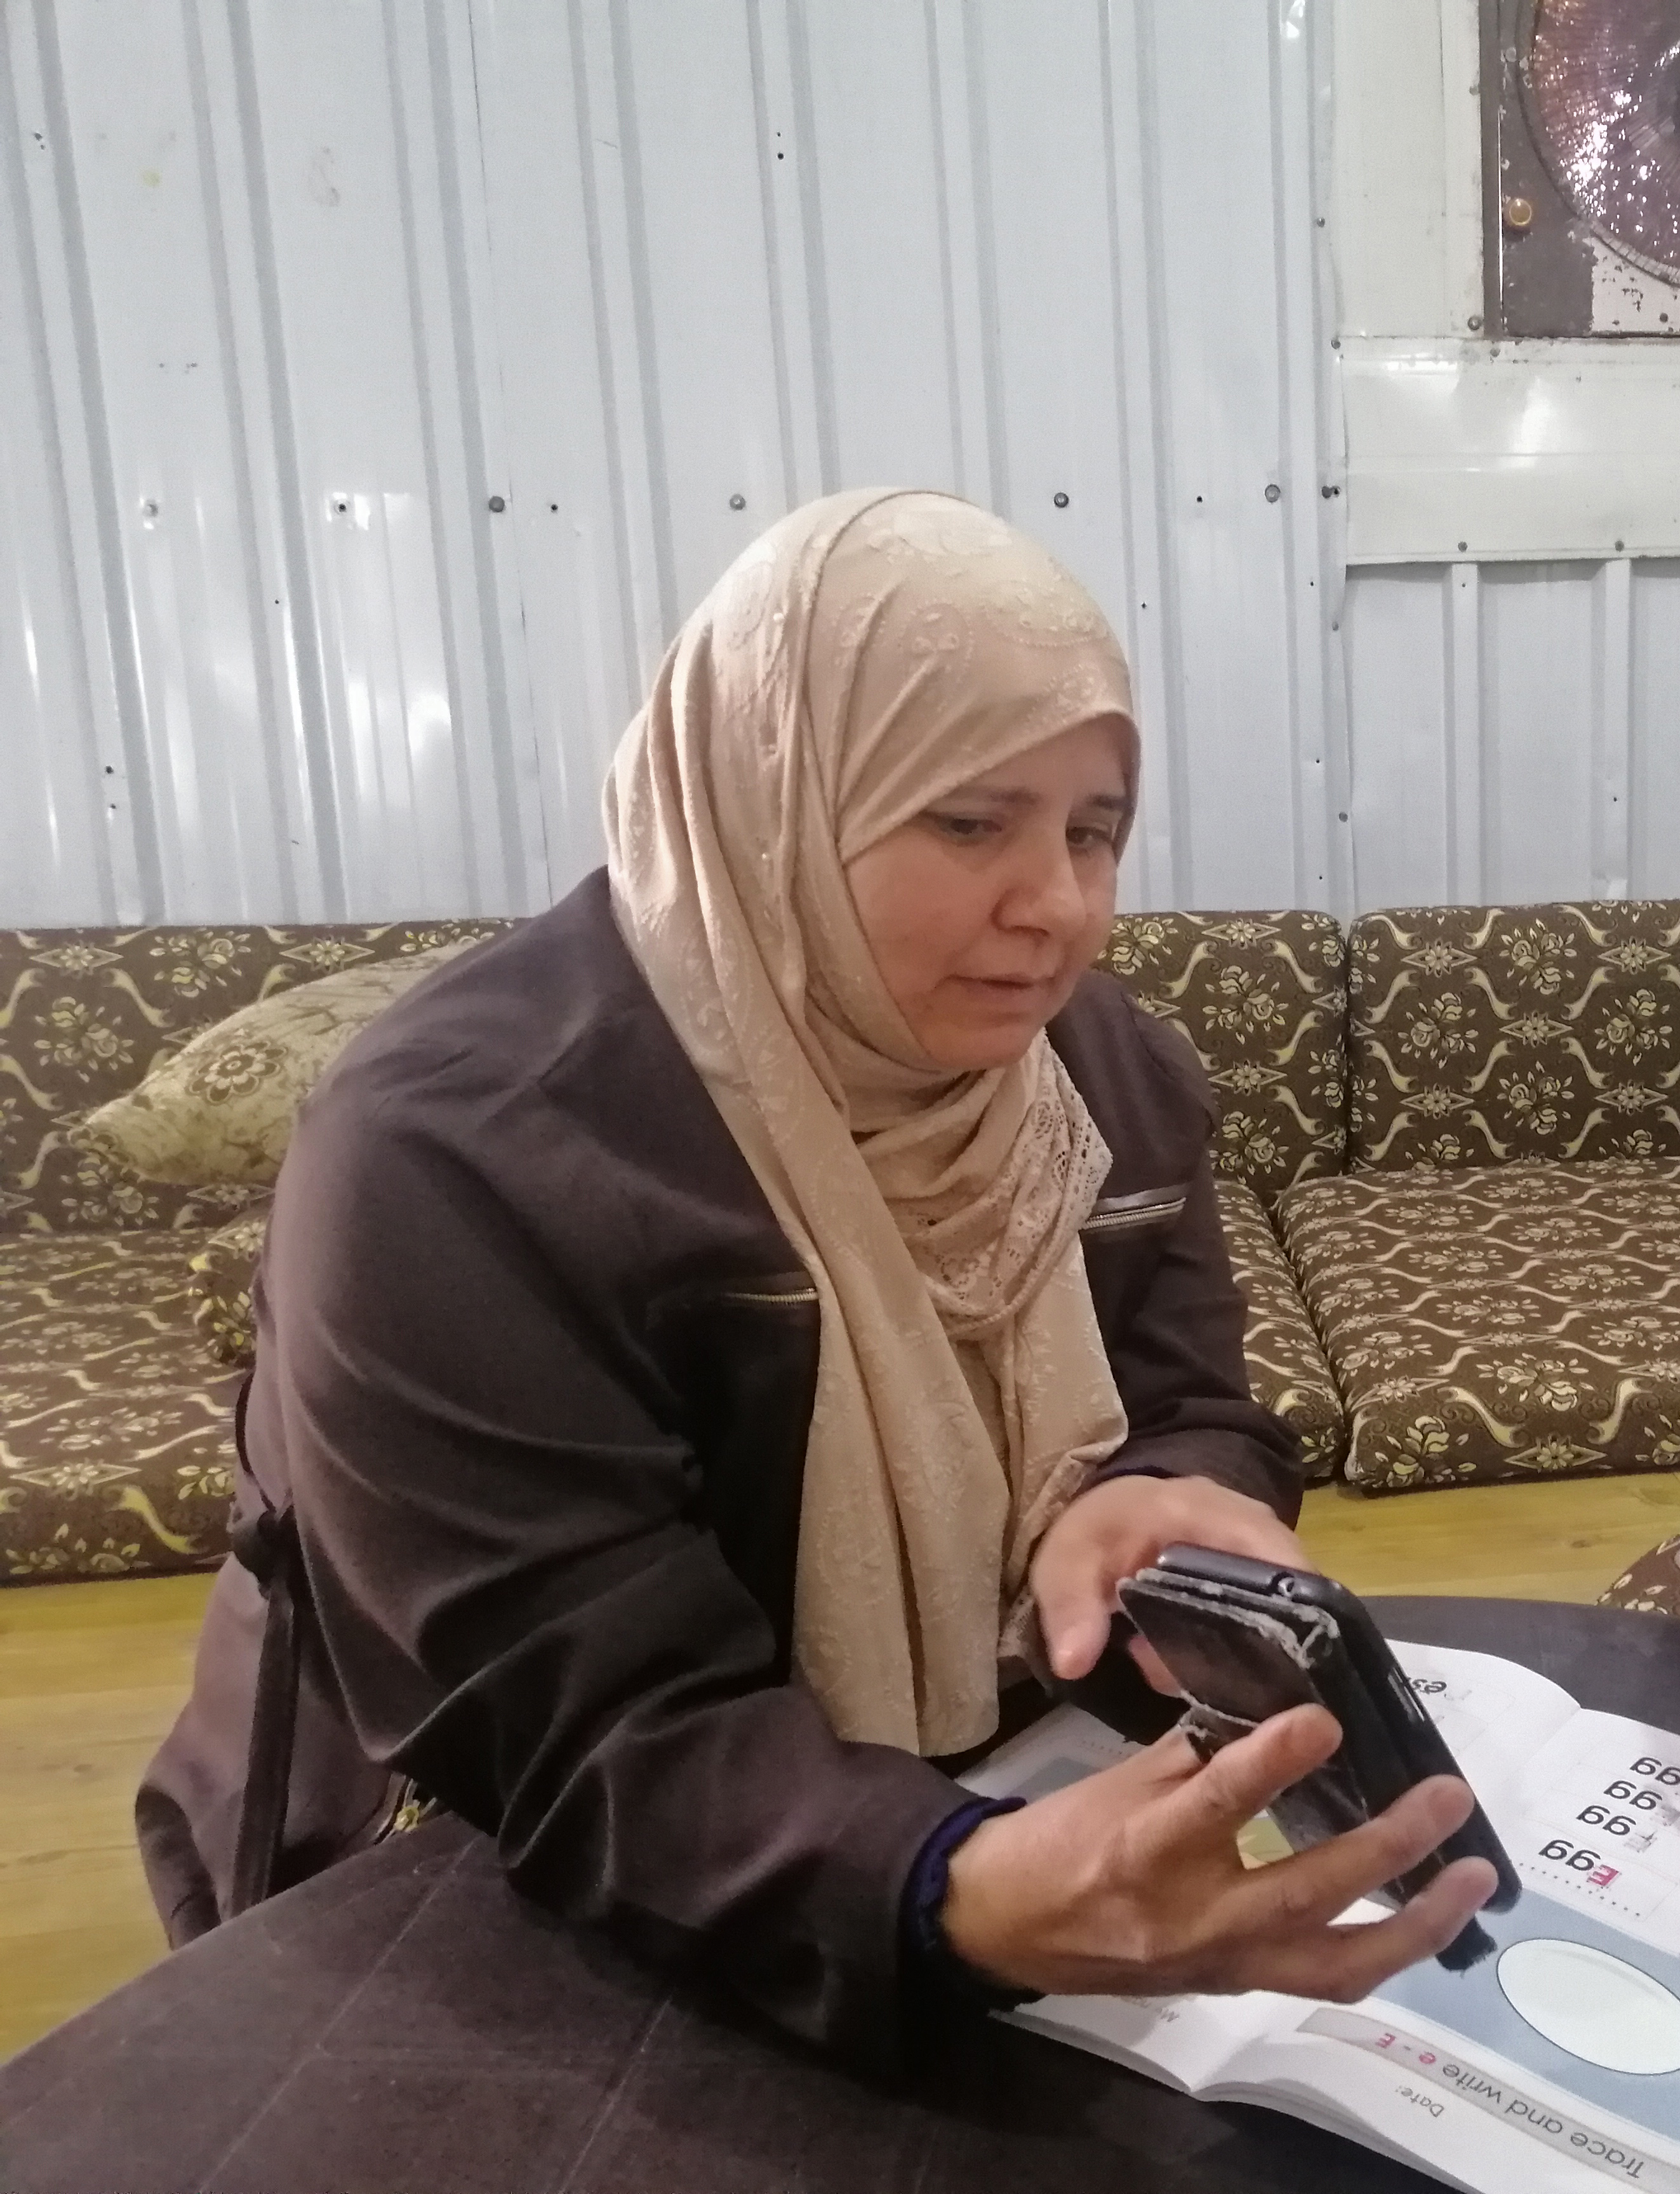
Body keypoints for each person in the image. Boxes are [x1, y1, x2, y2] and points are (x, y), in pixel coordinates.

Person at [137, 489, 1491, 2062]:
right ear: (769, 801)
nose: (1055, 904)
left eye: (1093, 829)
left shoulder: (1097, 1078)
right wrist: (945, 1888)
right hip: (482, 1856)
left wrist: (1170, 1482)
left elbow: (1197, 1398)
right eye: (970, 821)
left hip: (966, 1808)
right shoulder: (456, 1161)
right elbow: (580, 1720)